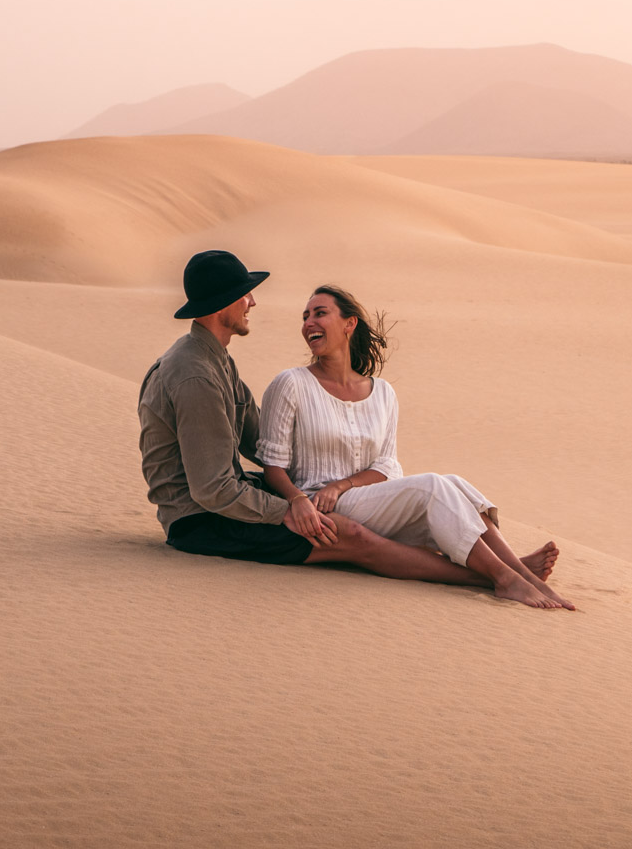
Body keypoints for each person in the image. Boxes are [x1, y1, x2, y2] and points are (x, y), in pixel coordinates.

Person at [139, 251, 572, 609]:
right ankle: (489, 578)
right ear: (223, 305)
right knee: (346, 535)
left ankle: (508, 568)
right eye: (244, 294)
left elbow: (257, 440)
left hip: (224, 503)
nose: (252, 301)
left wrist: (315, 484)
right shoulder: (196, 374)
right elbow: (212, 489)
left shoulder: (216, 361)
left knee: (440, 490)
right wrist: (291, 508)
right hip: (199, 522)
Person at [256, 284, 574, 610]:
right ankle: (507, 579)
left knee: (454, 484)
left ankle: (520, 573)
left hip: (370, 501)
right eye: (305, 316)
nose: (309, 322)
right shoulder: (291, 384)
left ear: (349, 324)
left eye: (320, 313)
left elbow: (387, 465)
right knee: (434, 487)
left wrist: (343, 485)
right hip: (320, 506)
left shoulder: (382, 393)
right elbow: (272, 465)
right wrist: (298, 499)